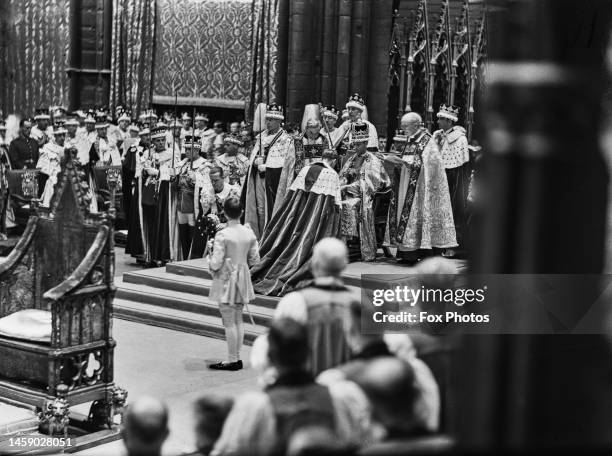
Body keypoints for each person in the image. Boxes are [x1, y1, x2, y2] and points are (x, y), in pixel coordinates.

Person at [211, 318, 370, 455]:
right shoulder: (342, 396)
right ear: (308, 352)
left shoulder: (254, 407)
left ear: (270, 356)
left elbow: (227, 451)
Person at [251, 149, 342, 296]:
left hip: (295, 219)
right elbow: (334, 206)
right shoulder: (332, 175)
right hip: (313, 223)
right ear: (335, 161)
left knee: (287, 240)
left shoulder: (305, 168)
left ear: (322, 157)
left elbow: (291, 199)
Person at [270, 237, 357, 375]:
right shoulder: (358, 304)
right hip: (345, 385)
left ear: (314, 263)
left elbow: (275, 347)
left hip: (305, 385)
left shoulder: (294, 301)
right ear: (344, 265)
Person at [387, 112, 457, 262]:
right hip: (407, 185)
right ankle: (407, 253)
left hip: (421, 189)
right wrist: (397, 162)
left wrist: (409, 163)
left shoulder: (427, 141)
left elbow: (433, 166)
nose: (403, 128)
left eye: (406, 126)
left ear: (416, 125)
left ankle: (420, 254)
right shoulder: (410, 139)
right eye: (403, 126)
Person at [207, 198, 260, 371]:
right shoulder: (248, 232)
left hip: (227, 277)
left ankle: (232, 360)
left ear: (224, 213)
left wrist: (209, 254)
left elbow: (215, 264)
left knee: (229, 320)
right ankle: (236, 357)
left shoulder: (223, 235)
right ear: (242, 212)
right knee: (238, 318)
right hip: (243, 276)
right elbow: (255, 259)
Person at [339, 122, 390, 262]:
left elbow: (371, 183)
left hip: (364, 197)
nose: (355, 148)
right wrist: (343, 183)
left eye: (358, 144)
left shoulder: (372, 160)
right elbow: (342, 176)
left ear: (366, 143)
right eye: (353, 144)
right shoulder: (351, 159)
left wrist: (349, 186)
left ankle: (348, 243)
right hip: (348, 193)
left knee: (346, 206)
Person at [243, 103, 295, 238]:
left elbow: (287, 163)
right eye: (267, 119)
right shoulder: (261, 137)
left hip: (274, 180)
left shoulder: (286, 139)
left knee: (270, 209)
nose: (268, 122)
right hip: (259, 179)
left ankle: (270, 238)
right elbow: (252, 157)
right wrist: (255, 162)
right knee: (260, 209)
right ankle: (259, 237)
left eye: (271, 120)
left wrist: (267, 166)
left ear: (279, 121)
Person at [433, 104, 470, 256]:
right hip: (437, 176)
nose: (438, 122)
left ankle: (451, 246)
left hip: (452, 179)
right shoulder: (436, 135)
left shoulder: (460, 139)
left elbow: (461, 165)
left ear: (449, 121)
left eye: (441, 119)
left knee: (451, 211)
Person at [140, 125, 179, 266]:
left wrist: (159, 173)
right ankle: (150, 256)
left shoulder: (172, 153)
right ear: (153, 142)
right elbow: (141, 172)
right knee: (150, 225)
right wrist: (145, 171)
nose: (161, 143)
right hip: (149, 193)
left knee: (162, 225)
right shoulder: (148, 154)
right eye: (158, 141)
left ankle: (162, 256)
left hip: (164, 194)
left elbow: (174, 173)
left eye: (163, 140)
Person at [191, 166, 240, 258]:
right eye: (211, 180)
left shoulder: (233, 191)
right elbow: (205, 214)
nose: (213, 183)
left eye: (216, 180)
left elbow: (238, 215)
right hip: (213, 226)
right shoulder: (207, 191)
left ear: (223, 178)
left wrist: (227, 225)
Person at [174, 135, 210, 259]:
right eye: (186, 149)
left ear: (197, 150)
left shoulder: (204, 165)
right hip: (180, 202)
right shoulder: (182, 164)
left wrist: (196, 179)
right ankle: (183, 256)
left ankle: (191, 258)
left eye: (190, 149)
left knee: (192, 232)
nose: (187, 152)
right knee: (182, 233)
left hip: (193, 203)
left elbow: (208, 185)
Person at [38, 126, 67, 207]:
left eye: (63, 135)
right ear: (55, 136)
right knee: (53, 182)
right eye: (60, 135)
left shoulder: (67, 148)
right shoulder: (48, 147)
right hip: (52, 176)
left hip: (66, 175)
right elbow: (43, 168)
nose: (62, 138)